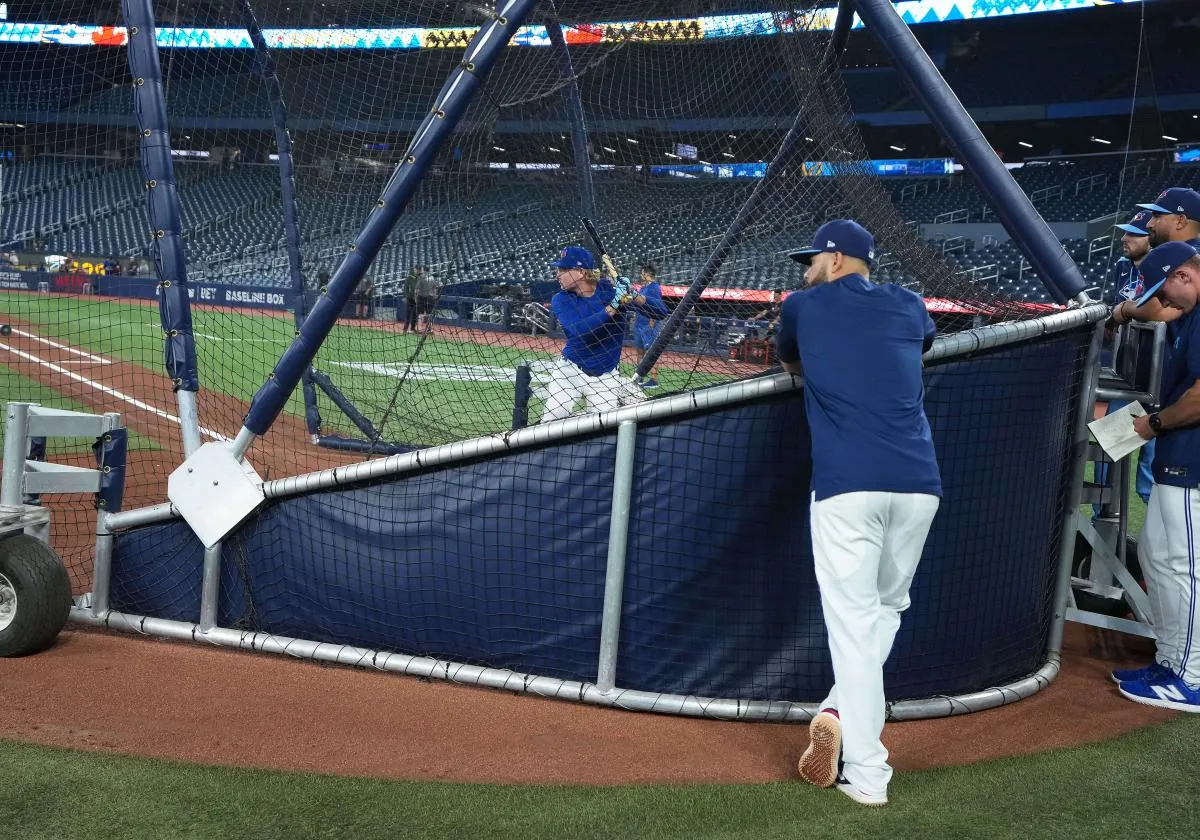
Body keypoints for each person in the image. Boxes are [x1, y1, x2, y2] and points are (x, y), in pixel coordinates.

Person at [776, 219, 941, 807]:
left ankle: (869, 774)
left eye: (811, 260)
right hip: (920, 484)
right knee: (887, 609)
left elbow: (793, 367)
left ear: (837, 258)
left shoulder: (802, 307)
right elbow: (918, 344)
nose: (805, 271)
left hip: (848, 486)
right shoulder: (909, 303)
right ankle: (837, 708)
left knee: (851, 627)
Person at [1108, 240, 1200, 712]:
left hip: (1195, 461)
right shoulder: (1188, 310)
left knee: (1184, 566)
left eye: (1166, 293)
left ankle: (1192, 675)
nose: (1162, 307)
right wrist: (1127, 310)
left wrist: (1152, 424)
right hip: (1179, 457)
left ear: (1185, 276)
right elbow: (1153, 312)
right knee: (1156, 555)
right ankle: (1169, 661)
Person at [540, 246, 667, 423]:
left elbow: (661, 312)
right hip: (570, 370)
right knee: (551, 420)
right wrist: (613, 306)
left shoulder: (609, 291)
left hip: (606, 375)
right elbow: (580, 331)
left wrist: (633, 293)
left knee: (602, 428)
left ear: (580, 272)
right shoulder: (561, 299)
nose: (557, 275)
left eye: (562, 270)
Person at [1095, 209, 1154, 513]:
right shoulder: (1122, 265)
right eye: (1125, 231)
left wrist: (1126, 311)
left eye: (1134, 233)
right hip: (1129, 373)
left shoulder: (1171, 268)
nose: (1125, 238)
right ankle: (1099, 519)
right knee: (1109, 446)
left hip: (1163, 379)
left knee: (1152, 469)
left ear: (1152, 237)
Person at [631, 264, 666, 388]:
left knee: (651, 352)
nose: (641, 275)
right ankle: (639, 377)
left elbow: (656, 307)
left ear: (647, 274)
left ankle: (654, 380)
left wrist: (651, 324)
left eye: (642, 273)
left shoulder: (654, 288)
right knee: (639, 352)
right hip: (639, 324)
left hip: (648, 325)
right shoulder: (643, 288)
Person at [415, 268, 440, 332]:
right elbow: (436, 288)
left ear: (424, 269)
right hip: (431, 298)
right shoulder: (432, 277)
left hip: (422, 297)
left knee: (420, 313)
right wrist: (434, 296)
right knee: (429, 314)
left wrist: (415, 298)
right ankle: (430, 329)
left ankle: (419, 329)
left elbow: (417, 290)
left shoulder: (421, 277)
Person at [402, 265, 423, 334]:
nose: (418, 270)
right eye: (417, 269)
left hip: (417, 299)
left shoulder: (421, 277)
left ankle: (412, 329)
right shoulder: (409, 277)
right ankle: (405, 329)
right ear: (414, 269)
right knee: (408, 314)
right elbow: (406, 288)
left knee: (415, 315)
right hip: (410, 298)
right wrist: (405, 296)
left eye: (419, 269)